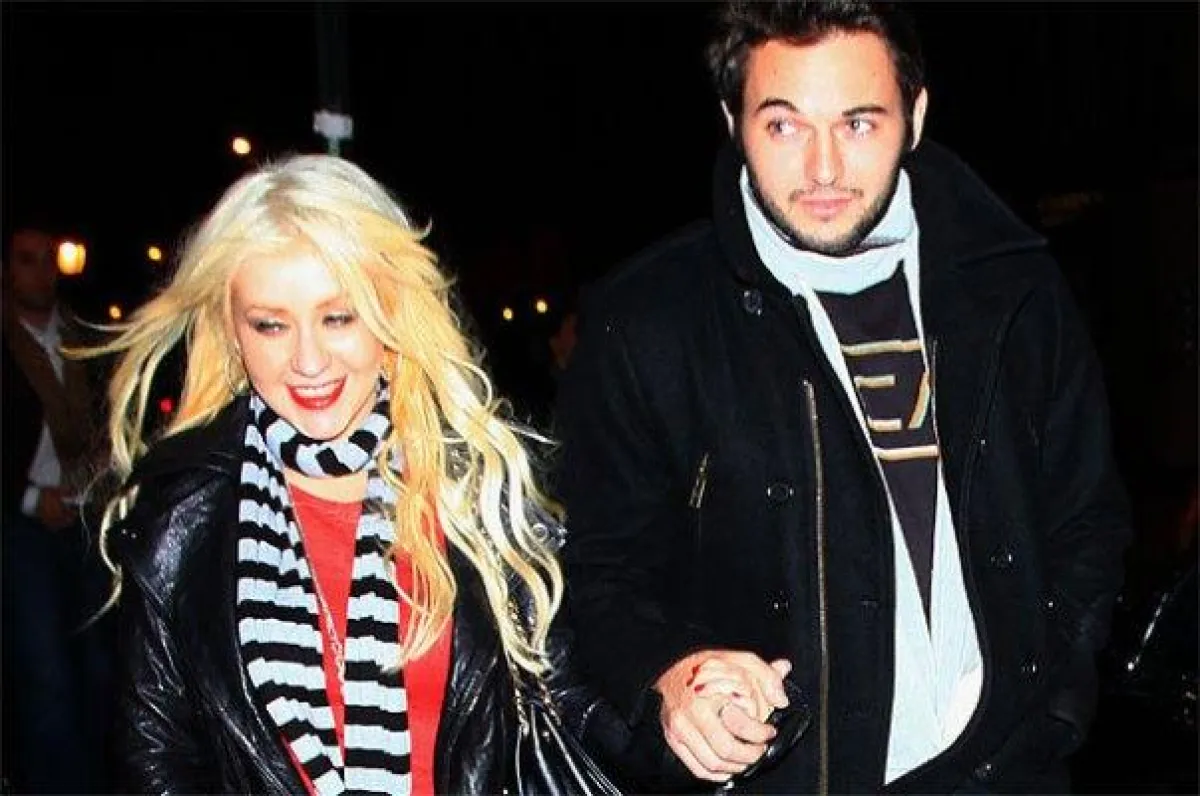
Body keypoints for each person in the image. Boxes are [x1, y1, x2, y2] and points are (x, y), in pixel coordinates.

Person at [554, 2, 1132, 793]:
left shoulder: (1013, 290)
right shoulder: (648, 320)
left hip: (1004, 771)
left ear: (915, 117)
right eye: (784, 126)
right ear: (731, 121)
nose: (823, 168)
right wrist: (671, 671)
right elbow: (599, 571)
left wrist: (1052, 706)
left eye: (858, 124)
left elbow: (1088, 519)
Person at [85, 154, 627, 794]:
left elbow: (573, 701)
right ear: (234, 332)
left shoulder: (472, 485)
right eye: (270, 325)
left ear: (390, 310)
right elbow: (156, 761)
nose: (308, 360)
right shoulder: (183, 517)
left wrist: (674, 717)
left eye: (338, 317)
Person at [1, 223, 113, 793]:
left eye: (47, 259)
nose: (42, 271)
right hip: (21, 523)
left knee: (100, 666)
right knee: (46, 675)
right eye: (27, 260)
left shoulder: (79, 336)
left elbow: (108, 414)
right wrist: (28, 496)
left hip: (84, 513)